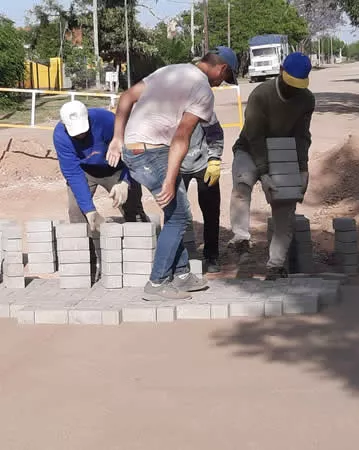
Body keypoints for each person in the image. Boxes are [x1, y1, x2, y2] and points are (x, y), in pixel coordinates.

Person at [106, 45, 238, 301]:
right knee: (178, 217)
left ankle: (182, 274)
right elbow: (181, 137)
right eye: (224, 78)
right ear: (221, 69)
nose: (221, 83)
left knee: (177, 213)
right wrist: (169, 180)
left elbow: (125, 97)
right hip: (152, 154)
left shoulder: (170, 71)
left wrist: (117, 138)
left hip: (134, 150)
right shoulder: (203, 91)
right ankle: (157, 283)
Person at [228, 52, 315, 280]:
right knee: (242, 183)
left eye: (298, 86)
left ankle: (275, 265)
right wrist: (264, 173)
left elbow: (302, 136)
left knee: (285, 208)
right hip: (249, 148)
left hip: (283, 152)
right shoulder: (261, 94)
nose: (293, 90)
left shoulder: (306, 100)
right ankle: (241, 238)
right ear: (280, 71)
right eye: (290, 84)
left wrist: (303, 170)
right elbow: (255, 137)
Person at [53, 100, 148, 279]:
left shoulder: (106, 120)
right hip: (85, 172)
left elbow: (133, 150)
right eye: (76, 134)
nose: (81, 136)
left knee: (132, 208)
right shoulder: (60, 136)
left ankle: (139, 261)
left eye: (84, 131)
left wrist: (125, 181)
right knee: (77, 212)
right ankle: (87, 266)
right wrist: (89, 210)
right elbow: (73, 174)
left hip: (117, 168)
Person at [181, 112, 223, 273]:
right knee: (176, 212)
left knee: (211, 212)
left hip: (204, 163)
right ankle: (181, 256)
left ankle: (212, 255)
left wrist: (214, 159)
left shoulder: (202, 107)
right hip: (177, 165)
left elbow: (216, 133)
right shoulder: (167, 109)